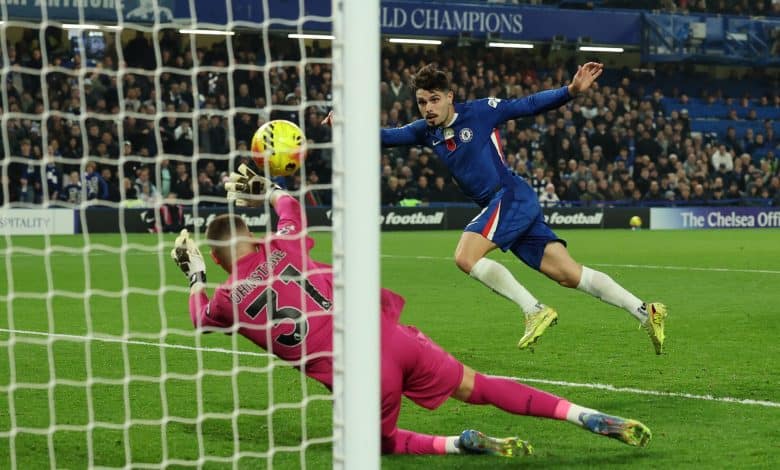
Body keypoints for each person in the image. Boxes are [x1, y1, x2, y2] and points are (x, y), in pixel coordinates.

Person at [169, 166, 652, 457]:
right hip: (392, 338)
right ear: (253, 236)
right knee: (477, 385)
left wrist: (193, 274)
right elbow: (291, 204)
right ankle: (581, 413)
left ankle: (455, 445)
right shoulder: (285, 243)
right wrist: (267, 189)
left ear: (215, 258)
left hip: (362, 377)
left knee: (377, 445)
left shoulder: (226, 299)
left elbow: (198, 316)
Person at [374, 63, 667, 353]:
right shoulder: (426, 131)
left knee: (465, 256)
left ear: (451, 96)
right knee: (568, 274)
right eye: (422, 102)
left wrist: (571, 91)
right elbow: (385, 136)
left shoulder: (479, 111)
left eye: (434, 99)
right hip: (506, 205)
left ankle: (533, 309)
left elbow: (526, 105)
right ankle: (645, 311)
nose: (428, 108)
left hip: (510, 196)